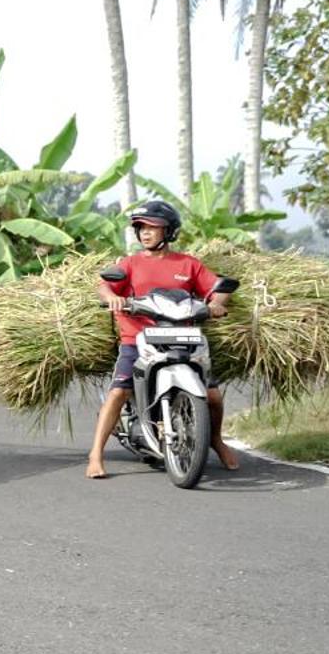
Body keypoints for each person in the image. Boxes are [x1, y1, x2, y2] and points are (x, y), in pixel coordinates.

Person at [85, 199, 238, 480]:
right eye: (140, 227)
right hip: (138, 338)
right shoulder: (130, 264)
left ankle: (214, 439)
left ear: (169, 231)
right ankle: (96, 454)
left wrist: (217, 303)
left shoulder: (188, 264)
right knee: (118, 392)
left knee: (213, 396)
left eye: (152, 227)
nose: (145, 233)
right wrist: (113, 299)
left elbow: (217, 287)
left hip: (184, 336)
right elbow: (104, 286)